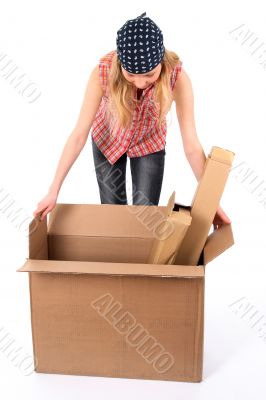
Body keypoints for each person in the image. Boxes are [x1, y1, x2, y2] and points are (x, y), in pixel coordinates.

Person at [33, 12, 231, 230]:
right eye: (131, 75)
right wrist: (53, 190)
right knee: (114, 216)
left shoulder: (178, 78)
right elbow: (78, 134)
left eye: (149, 75)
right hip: (107, 140)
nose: (140, 82)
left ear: (161, 62)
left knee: (145, 219)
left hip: (149, 143)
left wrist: (213, 203)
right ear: (121, 65)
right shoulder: (104, 71)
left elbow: (192, 146)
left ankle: (139, 262)